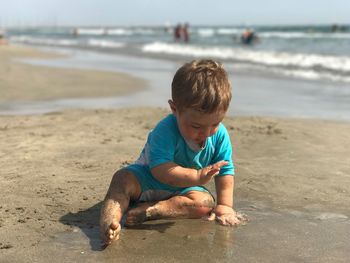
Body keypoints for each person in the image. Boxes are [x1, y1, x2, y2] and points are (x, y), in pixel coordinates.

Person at [100, 59, 246, 246]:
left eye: (215, 124)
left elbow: (225, 171)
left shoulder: (220, 136)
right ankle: (109, 222)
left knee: (205, 203)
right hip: (145, 180)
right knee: (121, 179)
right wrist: (197, 175)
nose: (207, 133)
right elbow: (160, 169)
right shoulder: (165, 130)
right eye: (196, 126)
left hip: (184, 190)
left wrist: (225, 207)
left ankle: (157, 210)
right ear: (175, 109)